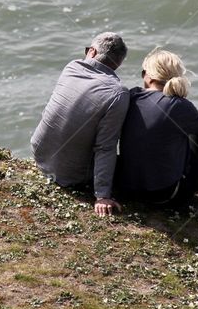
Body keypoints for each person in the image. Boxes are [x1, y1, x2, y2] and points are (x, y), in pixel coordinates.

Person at [114, 48, 198, 209]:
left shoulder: (131, 96)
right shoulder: (179, 105)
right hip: (165, 195)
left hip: (128, 189)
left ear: (147, 76)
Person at [31, 32, 130, 217]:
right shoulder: (118, 93)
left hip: (40, 154)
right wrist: (102, 195)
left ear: (92, 52)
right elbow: (105, 147)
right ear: (119, 63)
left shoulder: (72, 67)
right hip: (69, 174)